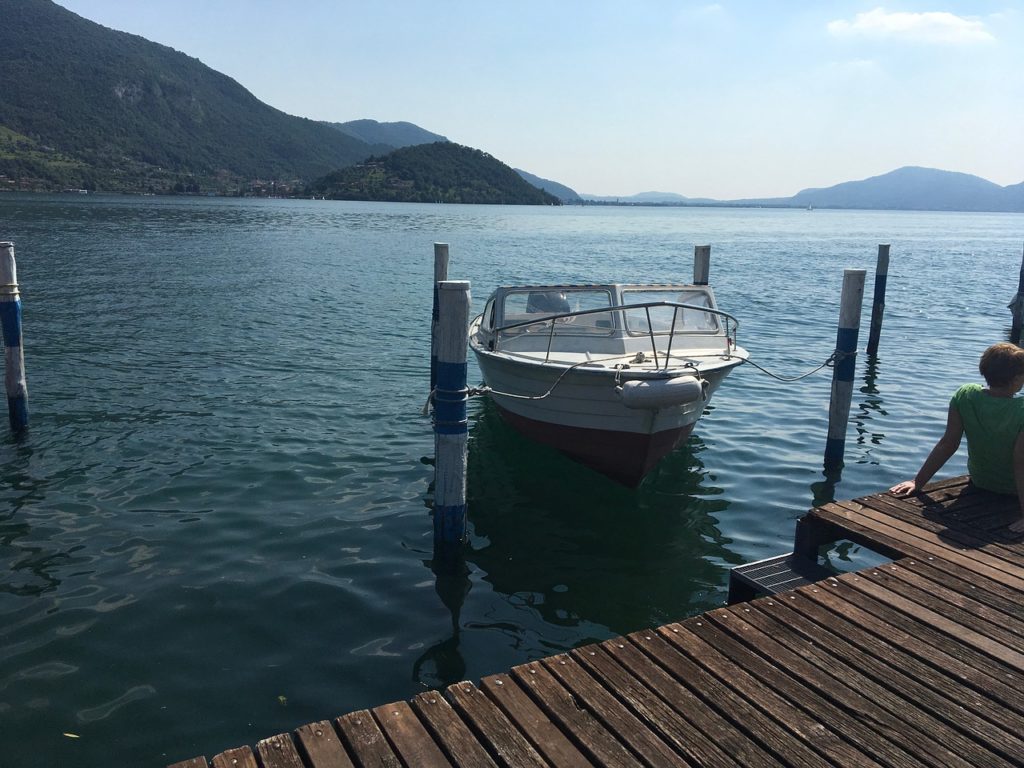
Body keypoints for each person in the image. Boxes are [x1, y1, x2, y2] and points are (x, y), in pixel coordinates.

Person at [890, 342, 1024, 534]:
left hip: (982, 481)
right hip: (1013, 490)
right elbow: (1021, 463)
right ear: (1017, 378)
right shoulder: (1021, 410)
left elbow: (948, 444)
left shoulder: (965, 395)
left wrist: (918, 482)